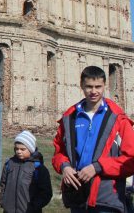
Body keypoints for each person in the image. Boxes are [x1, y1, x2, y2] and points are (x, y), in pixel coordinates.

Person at [53, 65, 134, 213]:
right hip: (77, 194)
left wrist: (98, 167)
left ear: (105, 86)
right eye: (89, 86)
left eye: (98, 86)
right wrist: (64, 167)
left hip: (106, 197)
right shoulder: (70, 118)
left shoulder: (119, 120)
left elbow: (131, 159)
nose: (94, 91)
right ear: (82, 85)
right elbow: (59, 151)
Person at [0, 130, 52, 213]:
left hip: (28, 210)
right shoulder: (9, 164)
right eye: (17, 149)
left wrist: (35, 206)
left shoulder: (38, 168)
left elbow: (46, 192)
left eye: (23, 149)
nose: (19, 151)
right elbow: (3, 184)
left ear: (31, 149)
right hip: (9, 209)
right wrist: (3, 200)